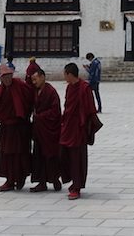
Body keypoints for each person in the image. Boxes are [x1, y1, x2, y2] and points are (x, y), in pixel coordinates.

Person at [0, 64, 33, 192]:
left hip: (19, 126)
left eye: (9, 76)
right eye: (4, 77)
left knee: (20, 153)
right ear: (0, 78)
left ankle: (20, 177)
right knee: (6, 153)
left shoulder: (20, 86)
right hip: (6, 127)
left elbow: (29, 101)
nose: (7, 79)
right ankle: (10, 180)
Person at [60, 62, 96, 200]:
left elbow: (90, 109)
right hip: (68, 126)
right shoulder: (69, 88)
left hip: (78, 129)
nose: (64, 77)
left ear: (69, 74)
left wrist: (86, 127)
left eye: (65, 74)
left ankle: (77, 186)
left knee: (77, 158)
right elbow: (67, 106)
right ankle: (72, 181)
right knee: (64, 154)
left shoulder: (84, 88)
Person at [29, 67, 62, 192]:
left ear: (43, 77)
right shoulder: (36, 91)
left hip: (49, 131)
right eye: (32, 80)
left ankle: (55, 179)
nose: (34, 82)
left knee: (51, 156)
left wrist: (40, 117)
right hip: (39, 130)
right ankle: (41, 182)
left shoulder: (51, 92)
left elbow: (55, 112)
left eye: (35, 79)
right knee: (38, 156)